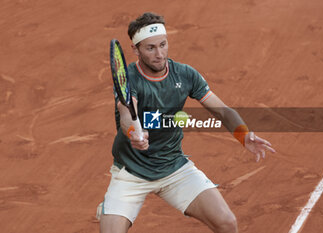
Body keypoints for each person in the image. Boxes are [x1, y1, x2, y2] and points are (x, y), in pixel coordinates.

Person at [99, 12, 275, 233]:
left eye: (163, 45)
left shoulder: (185, 75)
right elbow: (126, 114)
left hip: (174, 167)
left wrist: (243, 134)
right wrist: (135, 131)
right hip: (131, 173)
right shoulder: (129, 79)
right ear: (135, 50)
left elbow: (222, 110)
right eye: (150, 48)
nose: (159, 54)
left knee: (227, 223)